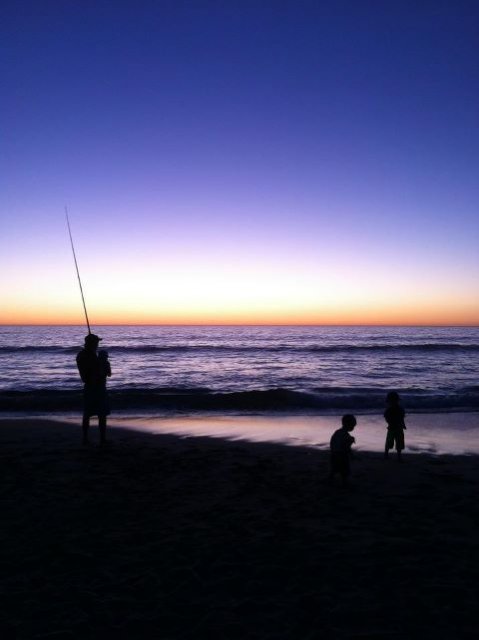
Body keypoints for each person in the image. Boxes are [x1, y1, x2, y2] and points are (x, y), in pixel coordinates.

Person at [76, 334, 111, 445]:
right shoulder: (85, 356)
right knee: (95, 414)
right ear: (91, 343)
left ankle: (97, 438)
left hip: (97, 387)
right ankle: (92, 439)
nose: (97, 344)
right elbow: (90, 372)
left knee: (96, 414)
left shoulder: (89, 355)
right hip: (93, 387)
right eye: (96, 342)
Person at [329, 414, 357, 484]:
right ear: (347, 424)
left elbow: (333, 443)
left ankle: (331, 477)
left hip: (334, 454)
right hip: (341, 455)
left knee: (335, 468)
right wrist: (351, 454)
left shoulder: (338, 432)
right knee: (344, 469)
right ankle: (344, 482)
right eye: (353, 425)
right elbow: (346, 447)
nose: (353, 427)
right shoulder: (345, 435)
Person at [384, 391, 406, 461]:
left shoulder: (398, 409)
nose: (392, 403)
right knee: (390, 442)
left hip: (396, 427)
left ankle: (397, 456)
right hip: (394, 427)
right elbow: (386, 417)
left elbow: (402, 418)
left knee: (397, 442)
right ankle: (387, 455)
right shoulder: (392, 409)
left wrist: (403, 424)